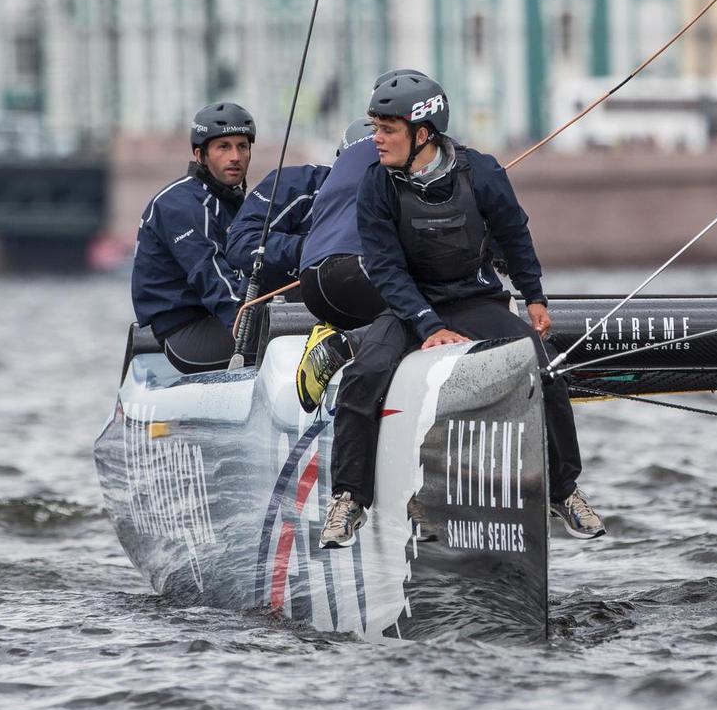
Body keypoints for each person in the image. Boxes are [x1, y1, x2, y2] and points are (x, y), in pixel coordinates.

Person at [318, 72, 604, 548]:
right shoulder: (376, 184)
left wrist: (534, 297)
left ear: (422, 134)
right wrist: (427, 326)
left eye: (387, 129)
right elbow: (386, 270)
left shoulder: (482, 172)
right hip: (410, 306)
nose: (376, 139)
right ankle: (349, 499)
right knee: (365, 373)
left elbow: (514, 235)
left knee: (546, 367)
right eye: (375, 128)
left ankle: (563, 491)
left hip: (474, 299)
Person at [294, 71, 430, 411]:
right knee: (437, 304)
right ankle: (344, 346)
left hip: (312, 281)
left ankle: (333, 333)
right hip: (354, 271)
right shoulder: (404, 150)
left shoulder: (346, 161)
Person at [131, 101, 255, 372]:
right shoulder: (179, 204)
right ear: (200, 155)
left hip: (215, 321)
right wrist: (254, 329)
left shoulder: (233, 202)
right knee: (283, 342)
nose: (235, 156)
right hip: (185, 333)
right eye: (223, 147)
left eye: (242, 146)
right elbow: (212, 278)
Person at [226, 155, 333, 292]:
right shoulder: (300, 182)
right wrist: (307, 247)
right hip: (268, 304)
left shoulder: (367, 199)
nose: (235, 157)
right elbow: (239, 242)